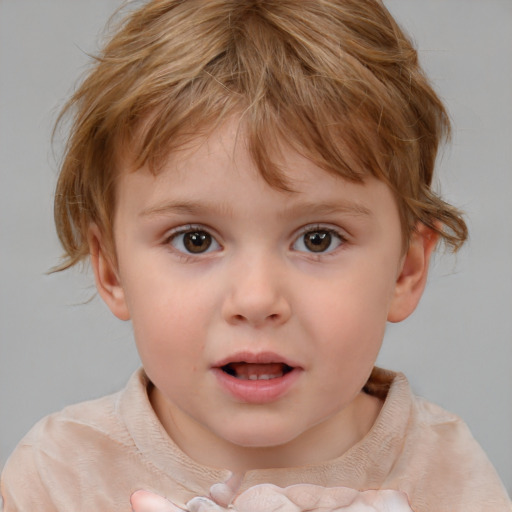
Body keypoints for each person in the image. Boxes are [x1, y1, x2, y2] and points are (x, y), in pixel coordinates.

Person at [1, 0, 510, 510]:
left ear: (406, 269)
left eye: (318, 239)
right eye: (195, 240)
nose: (256, 298)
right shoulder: (57, 477)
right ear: (111, 269)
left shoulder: (449, 479)